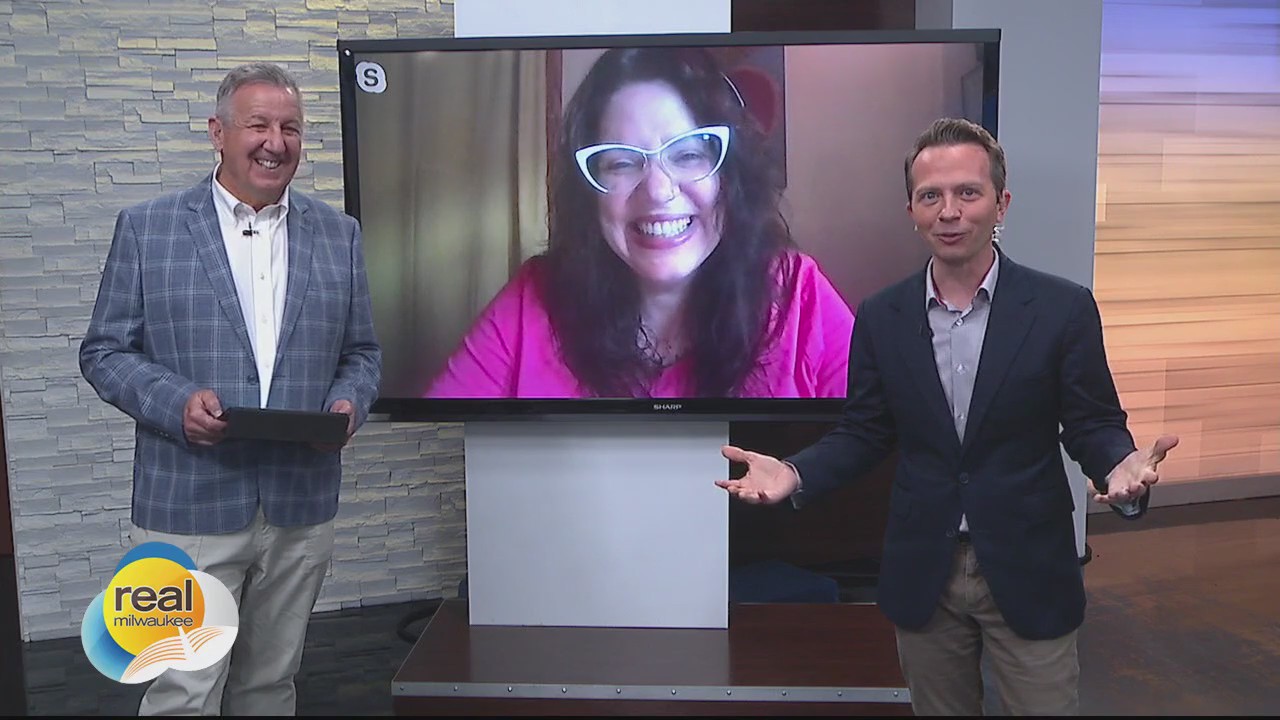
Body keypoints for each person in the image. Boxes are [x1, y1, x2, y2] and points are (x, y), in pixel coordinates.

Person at [716, 117, 1179, 715]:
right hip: (924, 570)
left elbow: (1092, 421)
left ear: (1000, 204)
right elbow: (865, 430)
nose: (949, 211)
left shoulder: (1061, 309)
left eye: (968, 192)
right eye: (931, 196)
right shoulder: (881, 316)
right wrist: (795, 472)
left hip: (1028, 563)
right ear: (911, 210)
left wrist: (1118, 467)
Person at [79, 62, 381, 716]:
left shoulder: (340, 234)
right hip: (186, 501)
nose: (276, 142)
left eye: (290, 127)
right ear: (218, 133)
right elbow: (103, 351)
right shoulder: (148, 228)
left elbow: (361, 354)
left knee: (270, 685)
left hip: (300, 502)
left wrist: (348, 403)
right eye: (258, 125)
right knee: (182, 691)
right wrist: (175, 404)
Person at [425, 47, 853, 399]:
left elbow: (877, 444)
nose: (659, 191)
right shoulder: (532, 297)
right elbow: (443, 444)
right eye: (621, 163)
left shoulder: (798, 294)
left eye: (688, 155)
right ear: (589, 190)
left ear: (729, 176)